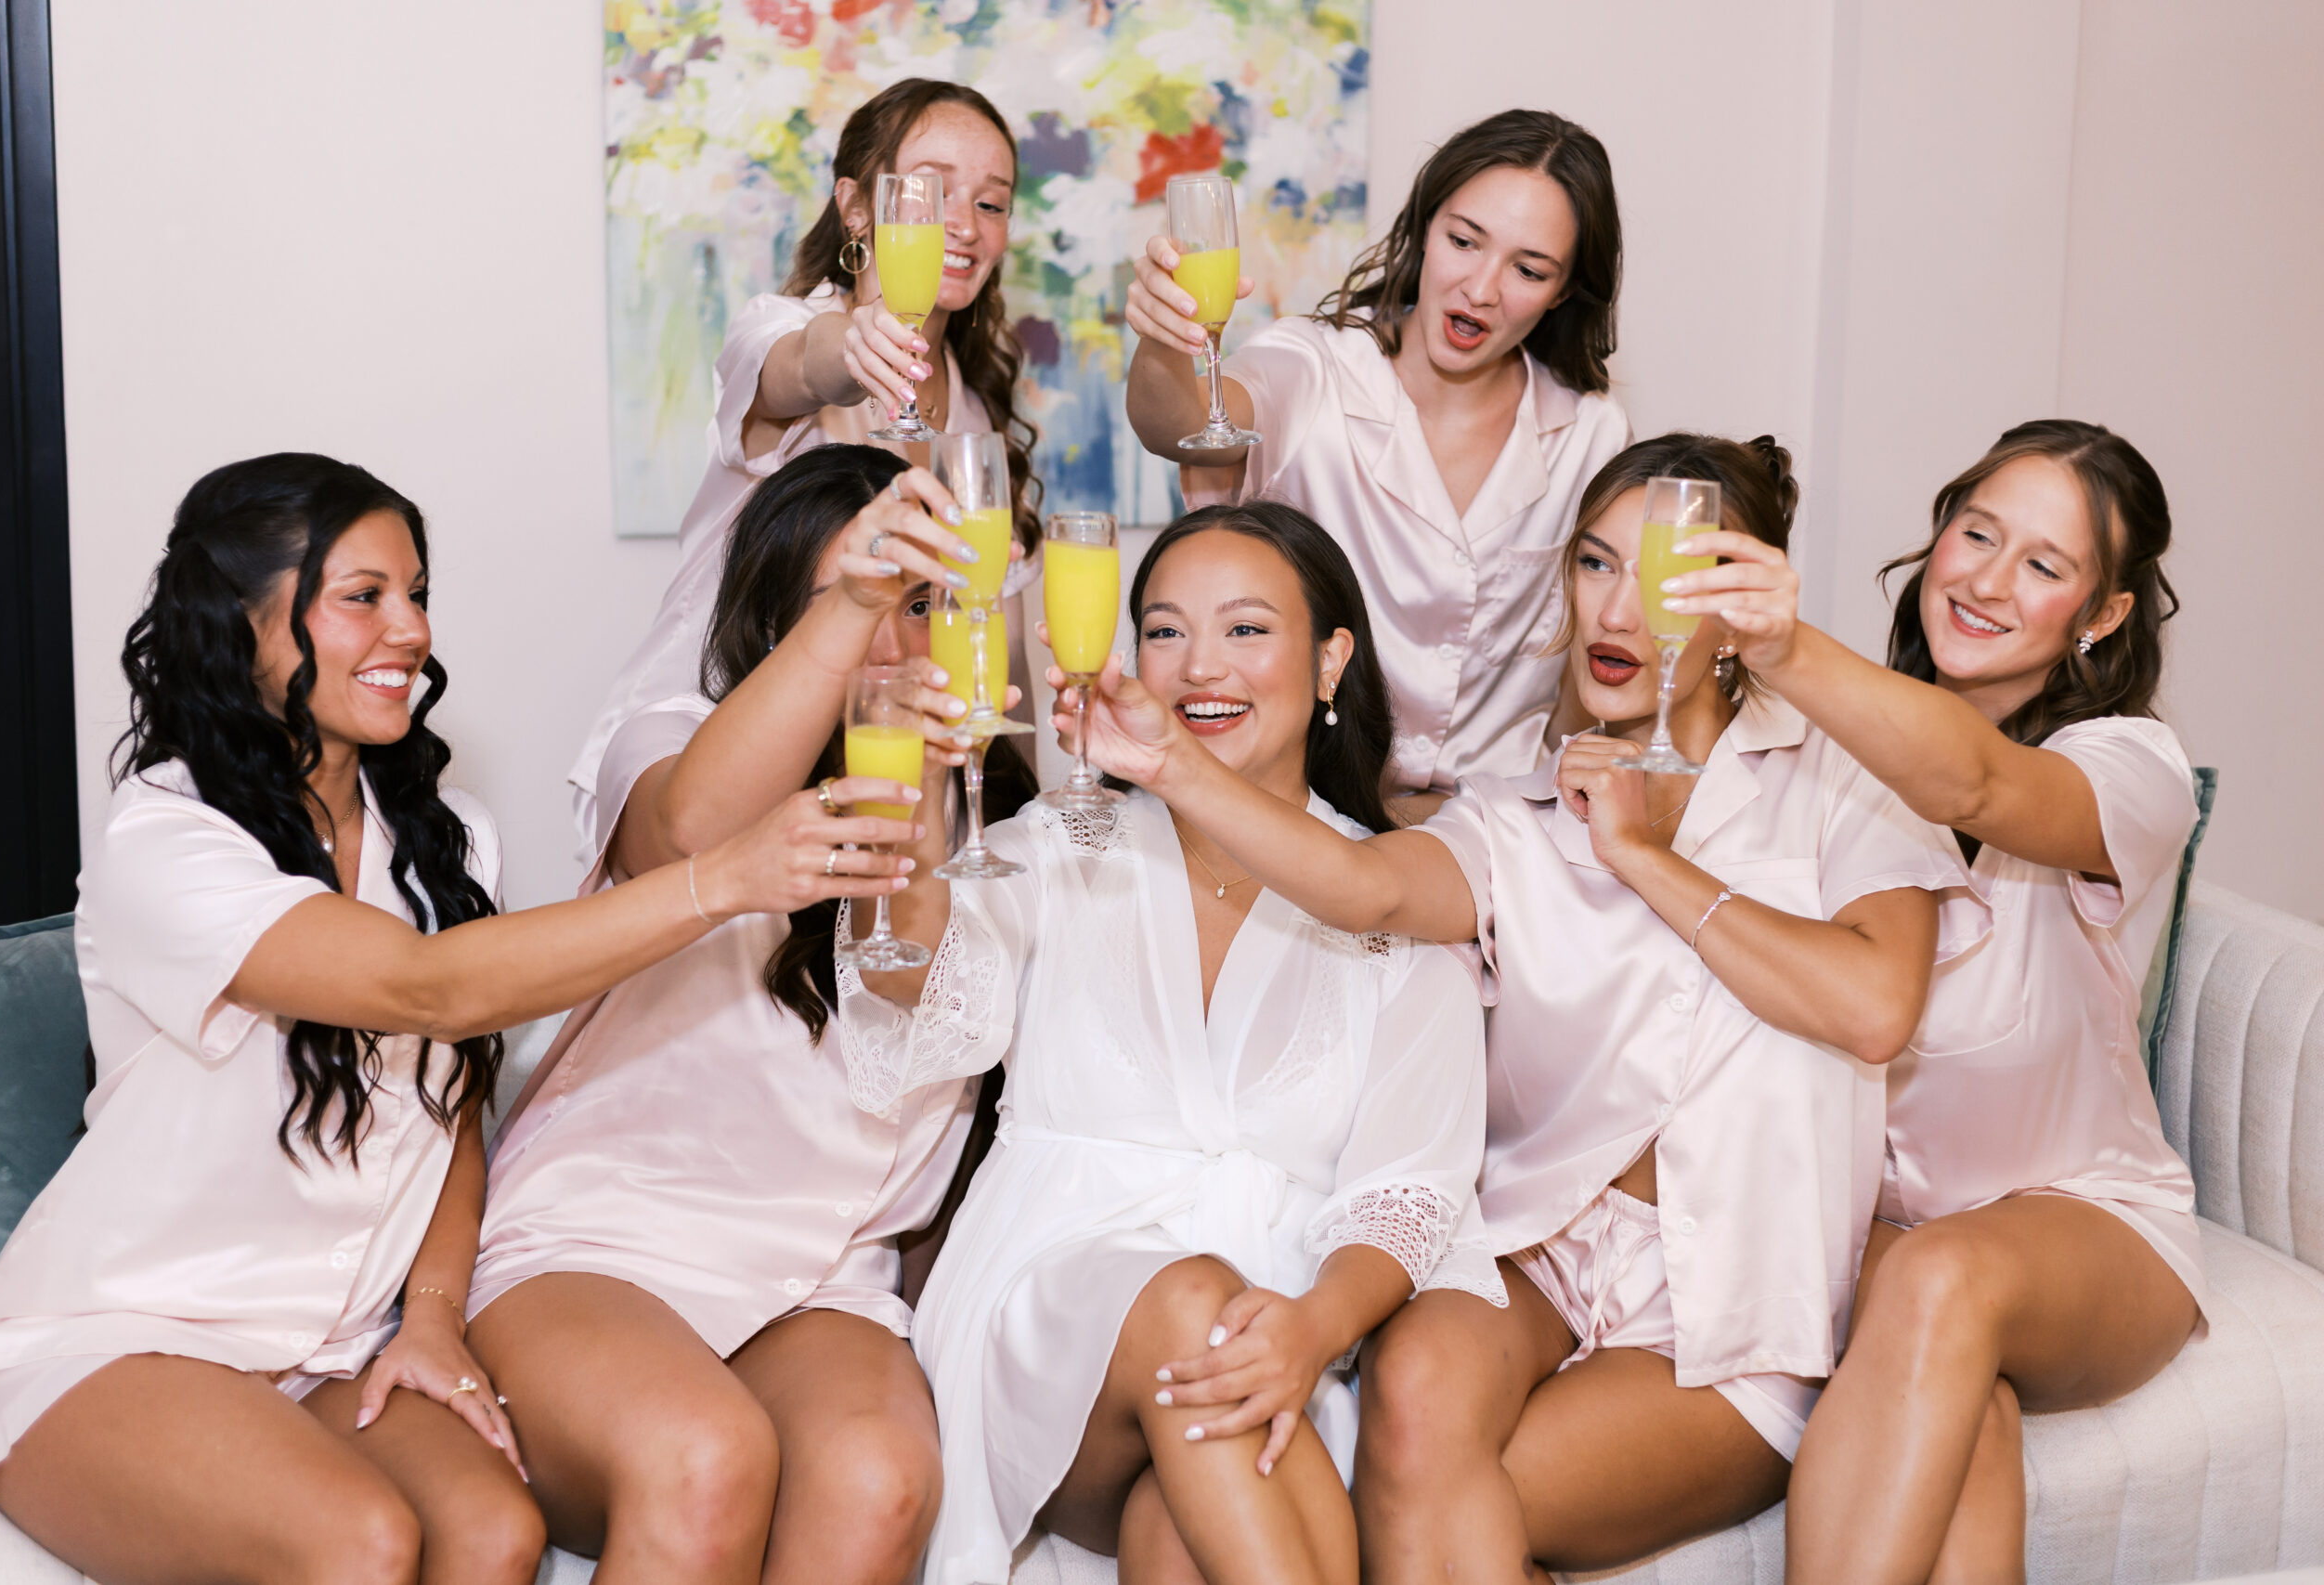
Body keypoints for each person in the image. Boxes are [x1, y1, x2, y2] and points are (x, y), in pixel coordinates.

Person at [0, 453, 916, 1585]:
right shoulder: (165, 838)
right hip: (125, 1336)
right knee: (361, 1544)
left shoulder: (446, 839)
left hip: (336, 1346)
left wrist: (434, 1318)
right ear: (241, 619)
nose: (408, 629)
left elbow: (448, 1109)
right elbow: (428, 988)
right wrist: (725, 878)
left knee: (494, 1532)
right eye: (363, 597)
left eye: (417, 594)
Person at [1068, 435, 1987, 1580]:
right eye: (1594, 564)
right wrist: (1170, 766)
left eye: (1662, 577)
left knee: (1450, 1508)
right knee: (1407, 1401)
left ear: (1735, 609)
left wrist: (1645, 859)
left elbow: (1870, 1009)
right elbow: (1364, 885)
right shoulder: (1511, 810)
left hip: (1736, 1304)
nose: (1617, 607)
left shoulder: (1841, 779)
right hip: (1532, 1249)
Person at [840, 502, 1490, 1585]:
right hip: (1045, 1303)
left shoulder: (1391, 893)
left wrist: (1310, 1331)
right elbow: (915, 993)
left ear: (1331, 661)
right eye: (1162, 629)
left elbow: (1409, 1189)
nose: (1199, 665)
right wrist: (911, 790)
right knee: (1194, 1306)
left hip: (1275, 1332)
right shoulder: (1066, 839)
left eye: (1244, 629)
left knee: (1176, 1537)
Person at [464, 445, 1016, 1585]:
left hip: (820, 1273)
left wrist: (913, 789)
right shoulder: (664, 736)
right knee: (703, 1454)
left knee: (880, 1477)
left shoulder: (985, 809)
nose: (900, 641)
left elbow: (920, 998)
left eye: (924, 603)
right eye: (860, 598)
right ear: (779, 626)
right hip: (600, 1240)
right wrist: (854, 627)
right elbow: (689, 833)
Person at [1663, 420, 2203, 1585]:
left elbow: (1972, 777)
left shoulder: (2129, 770)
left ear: (2101, 616)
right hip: (1878, 1239)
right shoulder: (1827, 746)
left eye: (2044, 567)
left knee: (1942, 1273)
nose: (1987, 582)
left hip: (2084, 1224)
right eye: (1976, 534)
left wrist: (1784, 645)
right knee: (1966, 1414)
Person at [574, 76, 1040, 861]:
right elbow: (801, 367)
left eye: (991, 204)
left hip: (885, 763)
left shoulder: (974, 411)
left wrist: (1011, 805)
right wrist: (850, 348)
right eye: (930, 190)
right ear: (856, 207)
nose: (962, 224)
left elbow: (994, 651)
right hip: (714, 747)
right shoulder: (786, 331)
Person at [1123, 109, 1629, 815]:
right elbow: (1178, 424)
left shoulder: (1592, 434)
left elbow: (1590, 652)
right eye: (1463, 241)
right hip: (1308, 813)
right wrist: (1162, 336)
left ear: (1566, 289)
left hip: (1494, 827)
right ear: (1424, 227)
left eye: (1528, 269)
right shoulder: (1315, 365)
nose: (1481, 288)